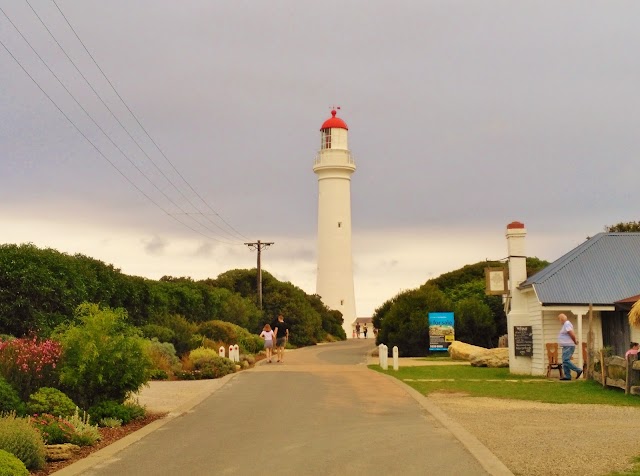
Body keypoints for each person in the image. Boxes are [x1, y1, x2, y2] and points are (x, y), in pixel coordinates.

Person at [557, 313, 582, 380]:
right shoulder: (565, 324)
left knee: (565, 360)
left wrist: (574, 341)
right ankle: (567, 376)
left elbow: (571, 333)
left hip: (569, 345)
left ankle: (578, 370)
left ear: (561, 319)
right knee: (564, 360)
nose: (559, 321)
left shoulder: (567, 324)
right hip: (566, 346)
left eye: (559, 319)